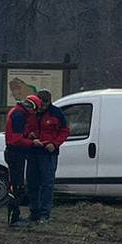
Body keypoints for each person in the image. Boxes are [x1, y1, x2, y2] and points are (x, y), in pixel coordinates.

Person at [3, 92, 40, 227]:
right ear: (31, 107)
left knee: (16, 184)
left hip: (14, 153)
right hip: (15, 153)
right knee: (16, 185)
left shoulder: (17, 112)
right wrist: (32, 142)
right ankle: (14, 218)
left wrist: (27, 134)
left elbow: (17, 134)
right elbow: (16, 139)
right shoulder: (19, 115)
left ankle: (15, 216)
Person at [31, 88, 69, 223]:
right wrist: (30, 136)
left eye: (44, 105)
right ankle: (34, 212)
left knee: (47, 184)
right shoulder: (32, 112)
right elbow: (27, 128)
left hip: (49, 153)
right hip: (34, 151)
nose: (41, 107)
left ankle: (44, 213)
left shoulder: (56, 113)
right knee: (32, 183)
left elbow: (64, 131)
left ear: (49, 103)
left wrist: (55, 144)